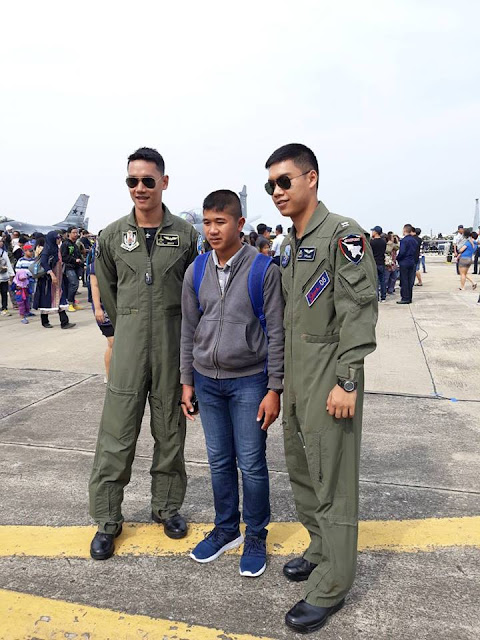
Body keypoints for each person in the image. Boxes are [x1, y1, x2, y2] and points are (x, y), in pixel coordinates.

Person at [265, 143, 377, 633]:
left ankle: (334, 581)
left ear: (311, 178)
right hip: (297, 376)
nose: (276, 191)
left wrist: (347, 380)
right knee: (303, 470)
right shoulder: (290, 244)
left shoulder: (343, 235)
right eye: (270, 184)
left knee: (333, 478)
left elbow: (359, 309)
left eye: (284, 181)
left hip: (330, 374)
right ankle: (319, 547)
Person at [89, 146, 198, 561]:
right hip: (129, 348)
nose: (139, 188)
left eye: (148, 181)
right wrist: (127, 330)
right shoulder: (112, 236)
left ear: (163, 183)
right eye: (132, 181)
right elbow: (109, 292)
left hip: (172, 347)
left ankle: (166, 508)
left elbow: (195, 295)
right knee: (116, 437)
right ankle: (107, 520)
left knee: (170, 433)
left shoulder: (185, 236)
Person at [180, 189, 284, 578]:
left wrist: (274, 388)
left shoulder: (263, 270)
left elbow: (277, 333)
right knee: (219, 460)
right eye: (207, 222)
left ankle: (255, 534)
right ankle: (226, 529)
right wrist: (186, 380)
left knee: (252, 463)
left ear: (239, 224)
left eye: (220, 222)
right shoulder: (196, 270)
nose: (212, 230)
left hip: (249, 383)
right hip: (206, 382)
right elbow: (188, 329)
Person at [33, 231, 75, 329]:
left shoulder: (56, 248)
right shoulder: (47, 250)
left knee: (60, 299)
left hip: (58, 280)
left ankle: (64, 322)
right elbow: (44, 263)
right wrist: (52, 275)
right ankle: (45, 321)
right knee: (46, 300)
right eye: (57, 238)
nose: (59, 240)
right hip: (48, 281)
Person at [89, 237, 114, 383]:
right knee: (113, 343)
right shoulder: (96, 264)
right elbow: (95, 286)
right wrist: (97, 308)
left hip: (118, 306)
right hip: (104, 308)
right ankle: (109, 376)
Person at [61, 227, 84, 311]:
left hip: (76, 267)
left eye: (77, 233)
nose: (76, 234)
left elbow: (79, 256)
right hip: (68, 267)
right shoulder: (65, 244)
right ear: (69, 234)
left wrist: (81, 263)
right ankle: (70, 303)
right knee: (74, 284)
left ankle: (73, 302)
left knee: (75, 285)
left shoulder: (75, 244)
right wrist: (74, 260)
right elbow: (63, 257)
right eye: (74, 232)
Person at [396, 224, 418, 304]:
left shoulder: (404, 240)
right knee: (410, 281)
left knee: (404, 280)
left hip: (404, 262)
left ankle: (405, 298)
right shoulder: (414, 240)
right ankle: (409, 297)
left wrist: (398, 258)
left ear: (405, 230)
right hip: (412, 261)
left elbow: (402, 252)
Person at [370, 226, 387, 302]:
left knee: (375, 281)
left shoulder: (372, 242)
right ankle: (383, 297)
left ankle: (376, 297)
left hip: (374, 262)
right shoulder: (383, 242)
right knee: (382, 280)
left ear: (376, 232)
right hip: (381, 262)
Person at [0, 237, 15, 316]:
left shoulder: (4, 252)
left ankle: (4, 308)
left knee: (4, 293)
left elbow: (8, 263)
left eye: (2, 241)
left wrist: (11, 274)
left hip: (4, 277)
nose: (1, 243)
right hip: (3, 275)